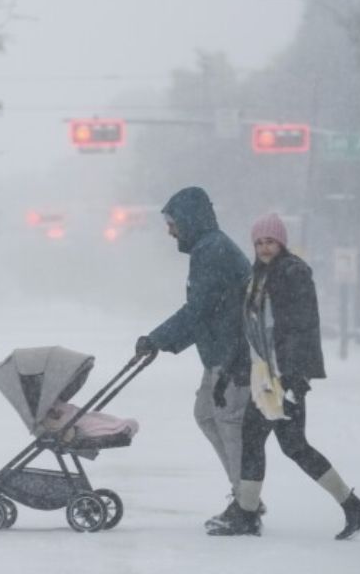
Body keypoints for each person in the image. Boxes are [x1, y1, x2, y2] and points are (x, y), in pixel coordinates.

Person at [207, 213, 360, 539]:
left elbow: (301, 328)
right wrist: (227, 376)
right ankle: (352, 505)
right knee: (292, 445)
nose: (264, 247)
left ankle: (246, 514)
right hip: (266, 376)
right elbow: (250, 333)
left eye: (269, 241)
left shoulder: (292, 274)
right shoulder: (259, 278)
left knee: (257, 440)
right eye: (258, 242)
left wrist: (295, 377)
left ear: (281, 242)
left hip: (283, 377)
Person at [134, 187, 253, 530]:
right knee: (206, 414)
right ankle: (244, 496)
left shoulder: (212, 251)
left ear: (188, 220)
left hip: (233, 353)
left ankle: (246, 505)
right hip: (220, 351)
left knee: (228, 421)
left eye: (172, 222)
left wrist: (157, 339)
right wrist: (161, 343)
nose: (169, 230)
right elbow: (204, 313)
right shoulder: (208, 248)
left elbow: (198, 310)